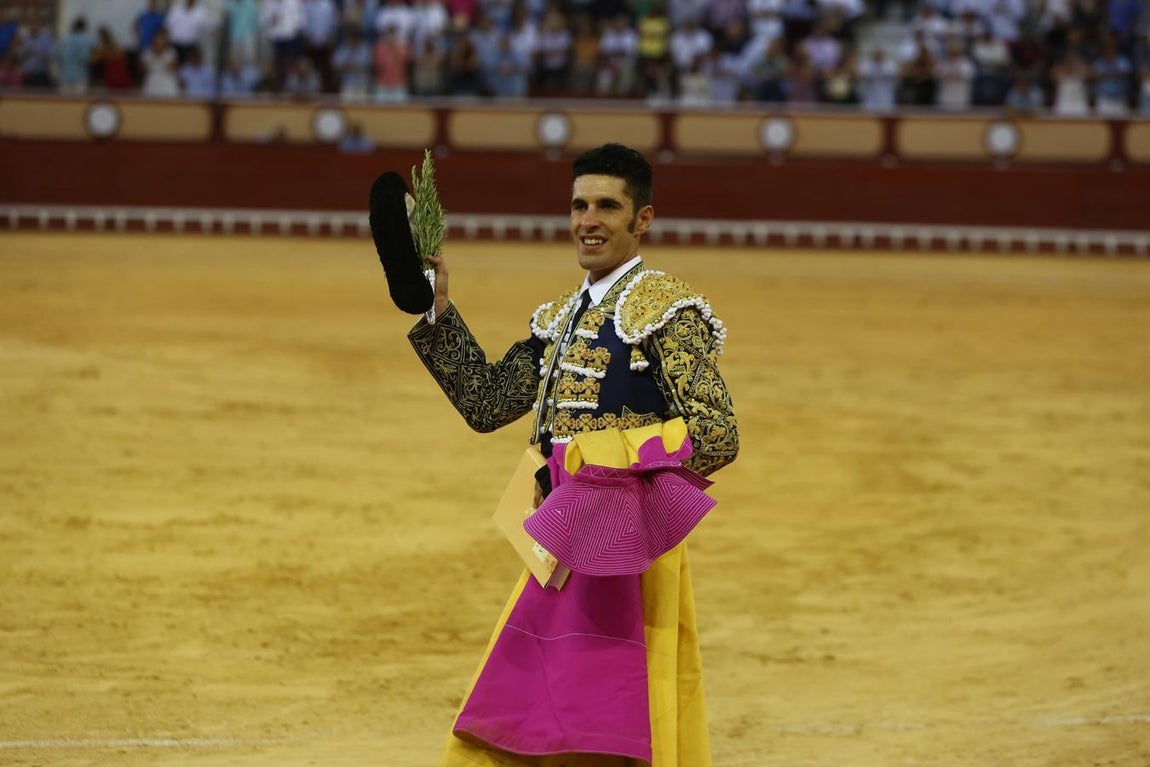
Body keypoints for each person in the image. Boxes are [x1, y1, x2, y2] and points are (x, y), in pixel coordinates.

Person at [391, 143, 739, 765]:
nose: (589, 220)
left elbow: (715, 434)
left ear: (643, 219)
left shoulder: (665, 309)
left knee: (615, 702)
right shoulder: (558, 317)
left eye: (608, 206)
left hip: (629, 543)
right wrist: (436, 304)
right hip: (558, 535)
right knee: (544, 692)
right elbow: (487, 402)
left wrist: (607, 470)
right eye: (580, 205)